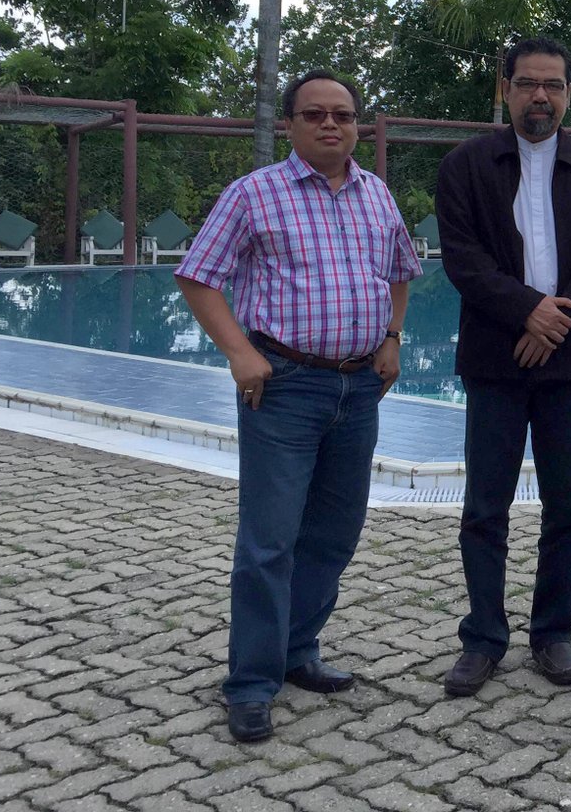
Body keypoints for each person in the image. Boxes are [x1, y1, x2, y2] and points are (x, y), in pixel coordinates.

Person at [176, 70, 421, 744]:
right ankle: (251, 684)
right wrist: (238, 352)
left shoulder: (376, 195)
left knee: (334, 534)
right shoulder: (254, 194)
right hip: (283, 384)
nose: (329, 125)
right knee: (269, 542)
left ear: (357, 126)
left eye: (342, 115)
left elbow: (402, 270)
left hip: (359, 385)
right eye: (314, 114)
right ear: (291, 124)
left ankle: (297, 651)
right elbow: (198, 276)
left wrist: (393, 339)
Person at [435, 37, 571, 696]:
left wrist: (555, 324)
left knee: (567, 507)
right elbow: (463, 260)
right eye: (527, 84)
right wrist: (527, 312)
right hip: (495, 358)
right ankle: (485, 638)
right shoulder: (465, 165)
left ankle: (553, 633)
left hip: (568, 362)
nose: (540, 96)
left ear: (569, 93)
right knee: (484, 508)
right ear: (506, 89)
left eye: (553, 84)